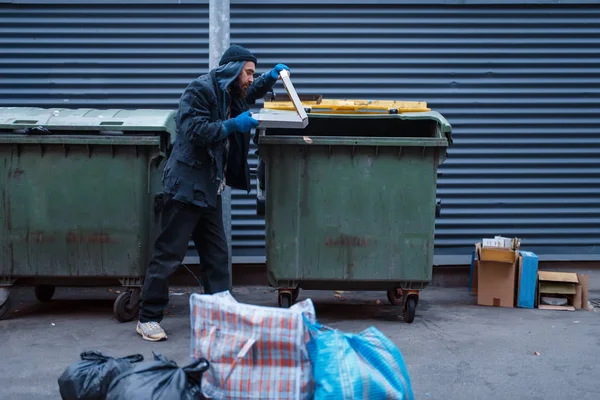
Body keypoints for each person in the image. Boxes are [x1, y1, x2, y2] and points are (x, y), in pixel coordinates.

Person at [136, 44, 290, 341]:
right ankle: (148, 317)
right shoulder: (200, 90)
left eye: (253, 73)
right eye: (248, 72)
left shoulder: (229, 91)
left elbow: (250, 92)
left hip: (208, 187)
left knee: (216, 256)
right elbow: (193, 129)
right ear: (232, 69)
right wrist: (233, 125)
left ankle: (220, 314)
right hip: (185, 186)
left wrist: (270, 78)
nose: (250, 78)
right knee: (169, 253)